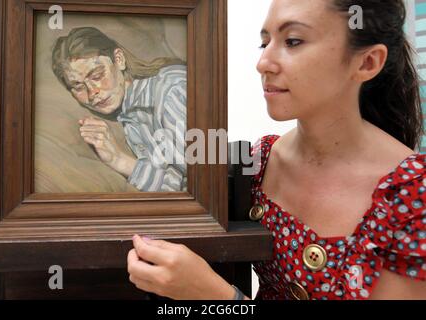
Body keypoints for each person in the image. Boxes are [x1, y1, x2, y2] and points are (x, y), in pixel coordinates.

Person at [127, 0, 426, 300]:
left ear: (367, 62)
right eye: (264, 43)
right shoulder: (260, 161)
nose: (263, 63)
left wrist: (215, 297)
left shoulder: (414, 193)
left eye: (293, 41)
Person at [52, 27, 187, 192]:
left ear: (119, 59)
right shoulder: (129, 113)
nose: (92, 92)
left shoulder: (172, 91)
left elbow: (190, 188)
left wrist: (118, 159)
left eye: (97, 76)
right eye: (78, 86)